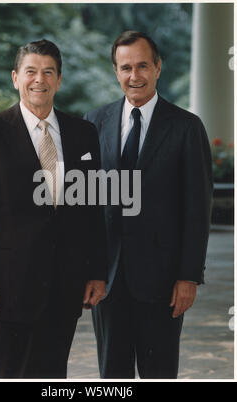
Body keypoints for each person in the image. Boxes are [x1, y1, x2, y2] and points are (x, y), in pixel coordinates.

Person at [0, 39, 107, 379]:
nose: (39, 80)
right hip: (7, 286)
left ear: (59, 80)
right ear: (15, 77)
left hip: (65, 285)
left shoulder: (83, 133)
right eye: (31, 71)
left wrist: (97, 271)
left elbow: (92, 209)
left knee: (53, 376)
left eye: (48, 72)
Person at [84, 31, 213, 379]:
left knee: (159, 372)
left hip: (163, 279)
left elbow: (197, 209)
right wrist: (87, 269)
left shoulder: (186, 127)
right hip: (107, 279)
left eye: (142, 65)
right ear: (115, 72)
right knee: (112, 375)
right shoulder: (94, 122)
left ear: (158, 68)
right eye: (125, 67)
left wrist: (188, 276)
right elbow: (85, 204)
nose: (134, 75)